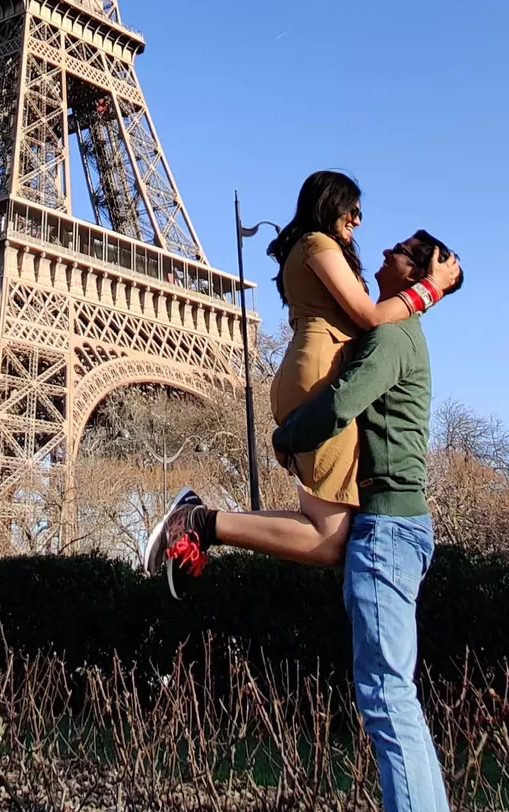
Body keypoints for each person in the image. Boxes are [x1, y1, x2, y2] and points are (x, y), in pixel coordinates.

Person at [146, 228, 471, 812]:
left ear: (413, 271)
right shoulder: (397, 331)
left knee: (389, 708)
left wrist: (285, 439)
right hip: (393, 530)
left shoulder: (390, 337)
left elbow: (340, 403)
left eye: (400, 249)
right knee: (402, 715)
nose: (381, 251)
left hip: (384, 532)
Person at [144, 171, 460, 586]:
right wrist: (433, 288)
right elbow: (370, 317)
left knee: (323, 529)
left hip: (310, 371)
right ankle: (201, 522)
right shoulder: (318, 243)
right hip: (319, 377)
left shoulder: (316, 248)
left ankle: (204, 524)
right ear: (331, 203)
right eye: (354, 209)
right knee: (328, 538)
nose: (359, 220)